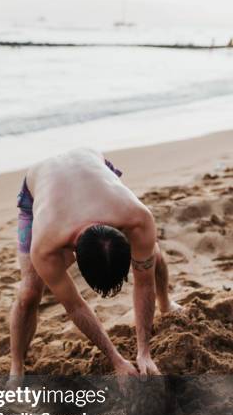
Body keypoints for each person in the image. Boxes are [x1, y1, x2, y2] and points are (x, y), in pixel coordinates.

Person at [10, 148, 181, 380]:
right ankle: (16, 367)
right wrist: (116, 360)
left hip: (93, 168)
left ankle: (166, 303)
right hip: (39, 186)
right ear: (73, 257)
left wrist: (144, 352)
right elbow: (75, 305)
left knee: (150, 252)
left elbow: (143, 282)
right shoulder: (45, 244)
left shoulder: (137, 217)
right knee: (30, 290)